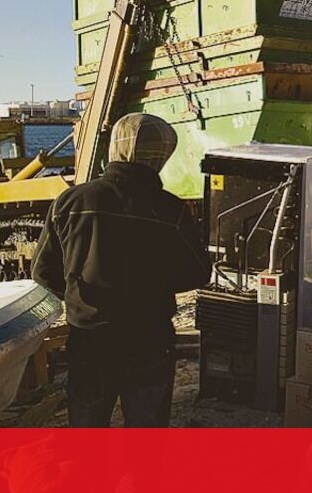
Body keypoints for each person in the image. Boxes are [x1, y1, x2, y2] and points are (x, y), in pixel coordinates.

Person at [32, 113, 210, 427]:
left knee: (87, 434)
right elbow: (198, 272)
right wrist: (151, 285)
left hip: (90, 338)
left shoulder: (70, 202)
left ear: (115, 146)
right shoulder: (171, 210)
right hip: (149, 337)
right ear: (162, 155)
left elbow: (42, 271)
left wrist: (79, 297)